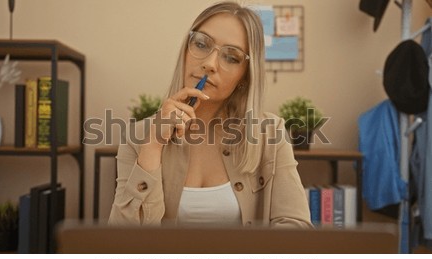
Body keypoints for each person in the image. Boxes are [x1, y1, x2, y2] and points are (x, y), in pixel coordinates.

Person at [109, 1, 312, 229]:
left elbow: (297, 229)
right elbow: (122, 243)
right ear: (186, 50)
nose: (209, 64)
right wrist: (154, 145)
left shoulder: (270, 133)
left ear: (244, 76)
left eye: (231, 57)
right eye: (202, 44)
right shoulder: (139, 136)